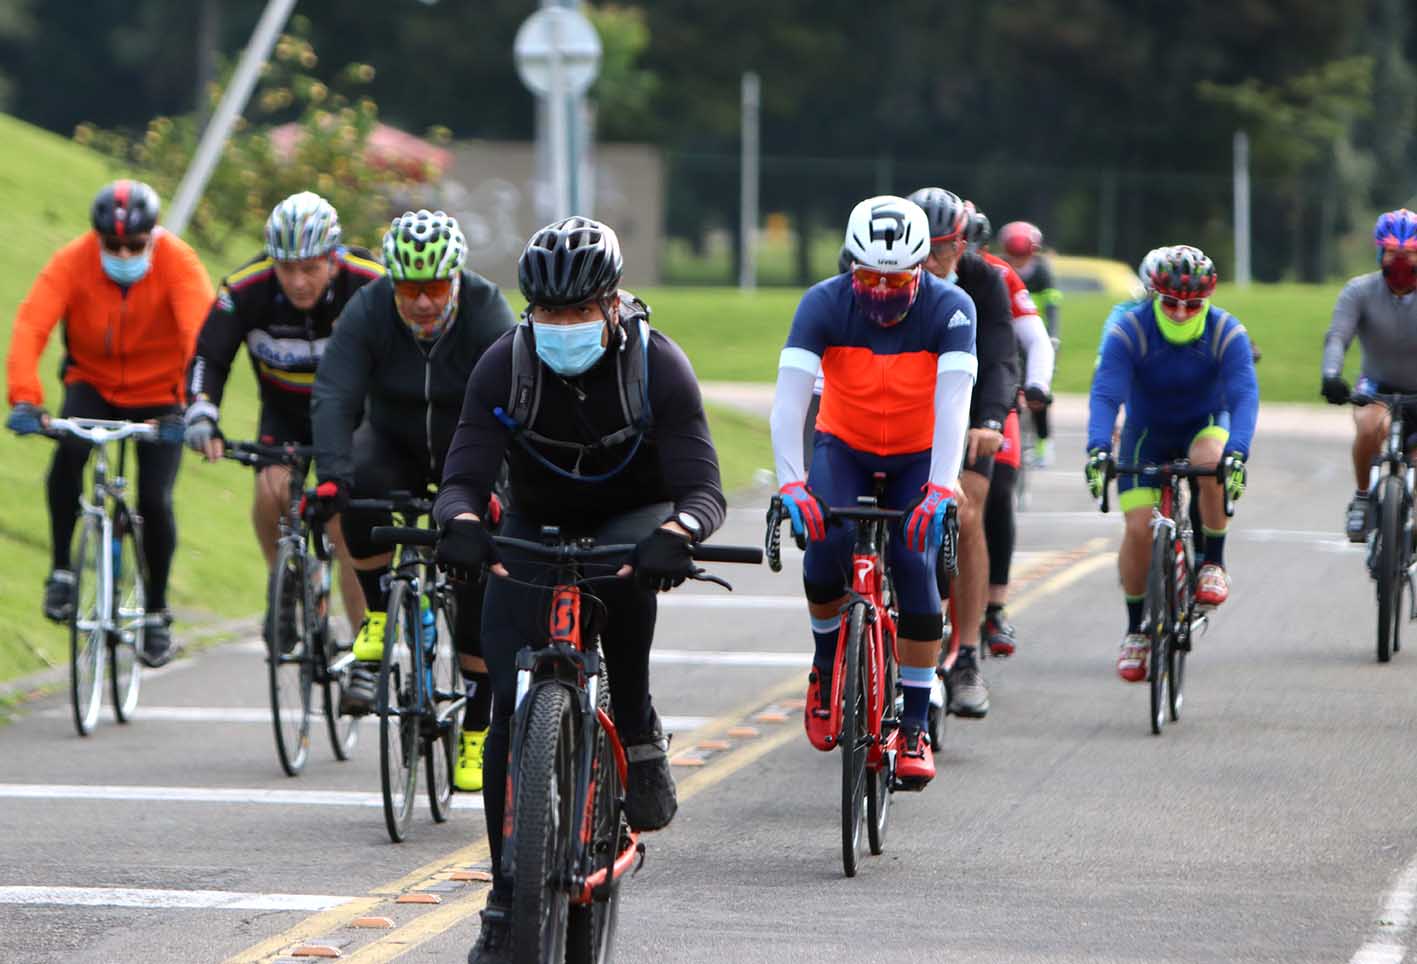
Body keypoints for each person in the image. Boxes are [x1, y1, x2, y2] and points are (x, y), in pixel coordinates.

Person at [432, 217, 727, 962]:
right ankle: (504, 901)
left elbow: (702, 488)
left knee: (626, 602)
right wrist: (462, 522)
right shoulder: (506, 362)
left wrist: (679, 534)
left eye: (579, 311)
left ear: (614, 304)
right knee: (506, 705)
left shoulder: (658, 365)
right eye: (549, 313)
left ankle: (633, 721)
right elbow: (463, 475)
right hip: (535, 521)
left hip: (634, 519)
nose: (563, 326)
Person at [771, 195, 975, 785]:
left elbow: (954, 407)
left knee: (914, 562)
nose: (881, 292)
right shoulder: (821, 304)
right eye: (867, 277)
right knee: (824, 546)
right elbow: (788, 405)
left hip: (917, 453)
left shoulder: (953, 309)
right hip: (846, 444)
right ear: (848, 265)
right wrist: (792, 483)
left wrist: (940, 487)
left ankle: (913, 725)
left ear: (922, 269)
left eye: (896, 280)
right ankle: (826, 660)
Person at [310, 209, 515, 793]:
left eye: (433, 288)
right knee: (355, 488)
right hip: (394, 442)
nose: (422, 303)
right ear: (391, 283)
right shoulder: (369, 309)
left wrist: (495, 489)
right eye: (408, 289)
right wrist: (331, 474)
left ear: (455, 280)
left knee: (476, 579)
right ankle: (379, 613)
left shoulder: (486, 310)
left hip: (465, 448)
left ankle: (477, 726)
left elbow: (510, 405)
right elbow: (334, 391)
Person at [5, 180, 212, 666]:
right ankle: (60, 571)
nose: (123, 253)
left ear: (153, 237)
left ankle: (157, 613)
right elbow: (31, 325)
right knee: (67, 457)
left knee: (156, 498)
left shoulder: (179, 263)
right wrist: (26, 400)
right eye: (112, 245)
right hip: (93, 385)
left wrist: (194, 404)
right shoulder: (72, 262)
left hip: (163, 395)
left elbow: (199, 336)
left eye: (135, 246)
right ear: (95, 237)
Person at [182, 192, 381, 640]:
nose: (297, 282)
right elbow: (210, 356)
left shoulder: (370, 284)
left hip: (354, 419)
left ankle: (363, 651)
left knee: (343, 525)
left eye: (310, 268)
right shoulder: (246, 289)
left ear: (335, 259)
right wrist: (201, 413)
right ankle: (288, 579)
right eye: (286, 268)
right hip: (286, 413)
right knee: (270, 494)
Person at [1085, 245, 1257, 682]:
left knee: (1210, 460)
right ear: (1154, 296)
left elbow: (1243, 396)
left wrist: (1238, 451)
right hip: (1147, 435)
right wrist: (1098, 447)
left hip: (1205, 424)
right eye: (1171, 304)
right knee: (1139, 528)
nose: (1181, 314)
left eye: (1193, 305)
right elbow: (1106, 393)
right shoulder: (1131, 330)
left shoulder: (1226, 333)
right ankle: (1135, 631)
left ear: (1208, 301)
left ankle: (1212, 561)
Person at [906, 188, 1016, 717]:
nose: (930, 261)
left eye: (944, 248)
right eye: (921, 248)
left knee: (966, 513)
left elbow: (999, 356)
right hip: (901, 415)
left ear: (963, 244)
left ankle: (967, 651)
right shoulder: (881, 274)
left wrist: (991, 421)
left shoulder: (983, 280)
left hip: (967, 413)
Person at [966, 202, 1056, 658]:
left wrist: (1037, 383)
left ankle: (995, 606)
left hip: (992, 397)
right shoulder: (910, 275)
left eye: (964, 245)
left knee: (998, 492)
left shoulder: (998, 276)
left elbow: (1036, 338)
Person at [1321, 208, 1417, 542]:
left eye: (1410, 254)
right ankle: (1363, 496)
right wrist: (1331, 374)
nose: (1402, 262)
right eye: (1393, 252)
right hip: (1377, 386)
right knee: (1368, 425)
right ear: (1380, 252)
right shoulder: (1359, 291)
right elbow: (1337, 336)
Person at [998, 220, 1062, 467]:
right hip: (1006, 334)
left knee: (1038, 391)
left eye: (1023, 257)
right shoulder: (1000, 269)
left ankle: (1044, 442)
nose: (1018, 262)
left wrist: (1053, 337)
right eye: (1013, 256)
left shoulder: (1042, 272)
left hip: (1036, 333)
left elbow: (1052, 308)